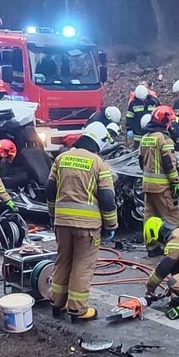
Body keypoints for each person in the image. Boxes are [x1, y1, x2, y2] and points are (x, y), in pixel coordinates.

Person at [44, 124, 117, 321]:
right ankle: (77, 309)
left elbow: (49, 190)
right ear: (99, 142)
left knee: (63, 261)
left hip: (62, 223)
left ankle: (56, 302)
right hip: (88, 227)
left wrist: (54, 215)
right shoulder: (98, 163)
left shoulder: (62, 158)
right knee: (82, 265)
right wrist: (111, 225)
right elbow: (108, 198)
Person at [139, 106, 179, 257]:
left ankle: (151, 247)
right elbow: (168, 163)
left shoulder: (145, 138)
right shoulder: (165, 139)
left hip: (147, 184)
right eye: (170, 121)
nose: (170, 124)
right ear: (164, 122)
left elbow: (140, 161)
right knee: (171, 216)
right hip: (163, 186)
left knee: (150, 217)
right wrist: (175, 181)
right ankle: (175, 249)